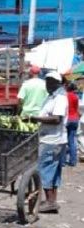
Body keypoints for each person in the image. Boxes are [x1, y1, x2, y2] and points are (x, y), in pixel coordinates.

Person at [31, 72, 68, 213]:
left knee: (45, 169)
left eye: (50, 82)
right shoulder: (52, 96)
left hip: (52, 140)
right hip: (52, 139)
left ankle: (50, 201)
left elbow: (56, 119)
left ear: (57, 83)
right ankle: (51, 201)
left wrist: (36, 119)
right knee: (52, 170)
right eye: (47, 82)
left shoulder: (59, 98)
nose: (47, 85)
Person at [65, 81, 80, 166]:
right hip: (74, 119)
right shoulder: (76, 97)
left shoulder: (65, 96)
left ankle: (62, 161)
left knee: (63, 141)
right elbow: (76, 109)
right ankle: (73, 161)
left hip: (67, 119)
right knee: (72, 141)